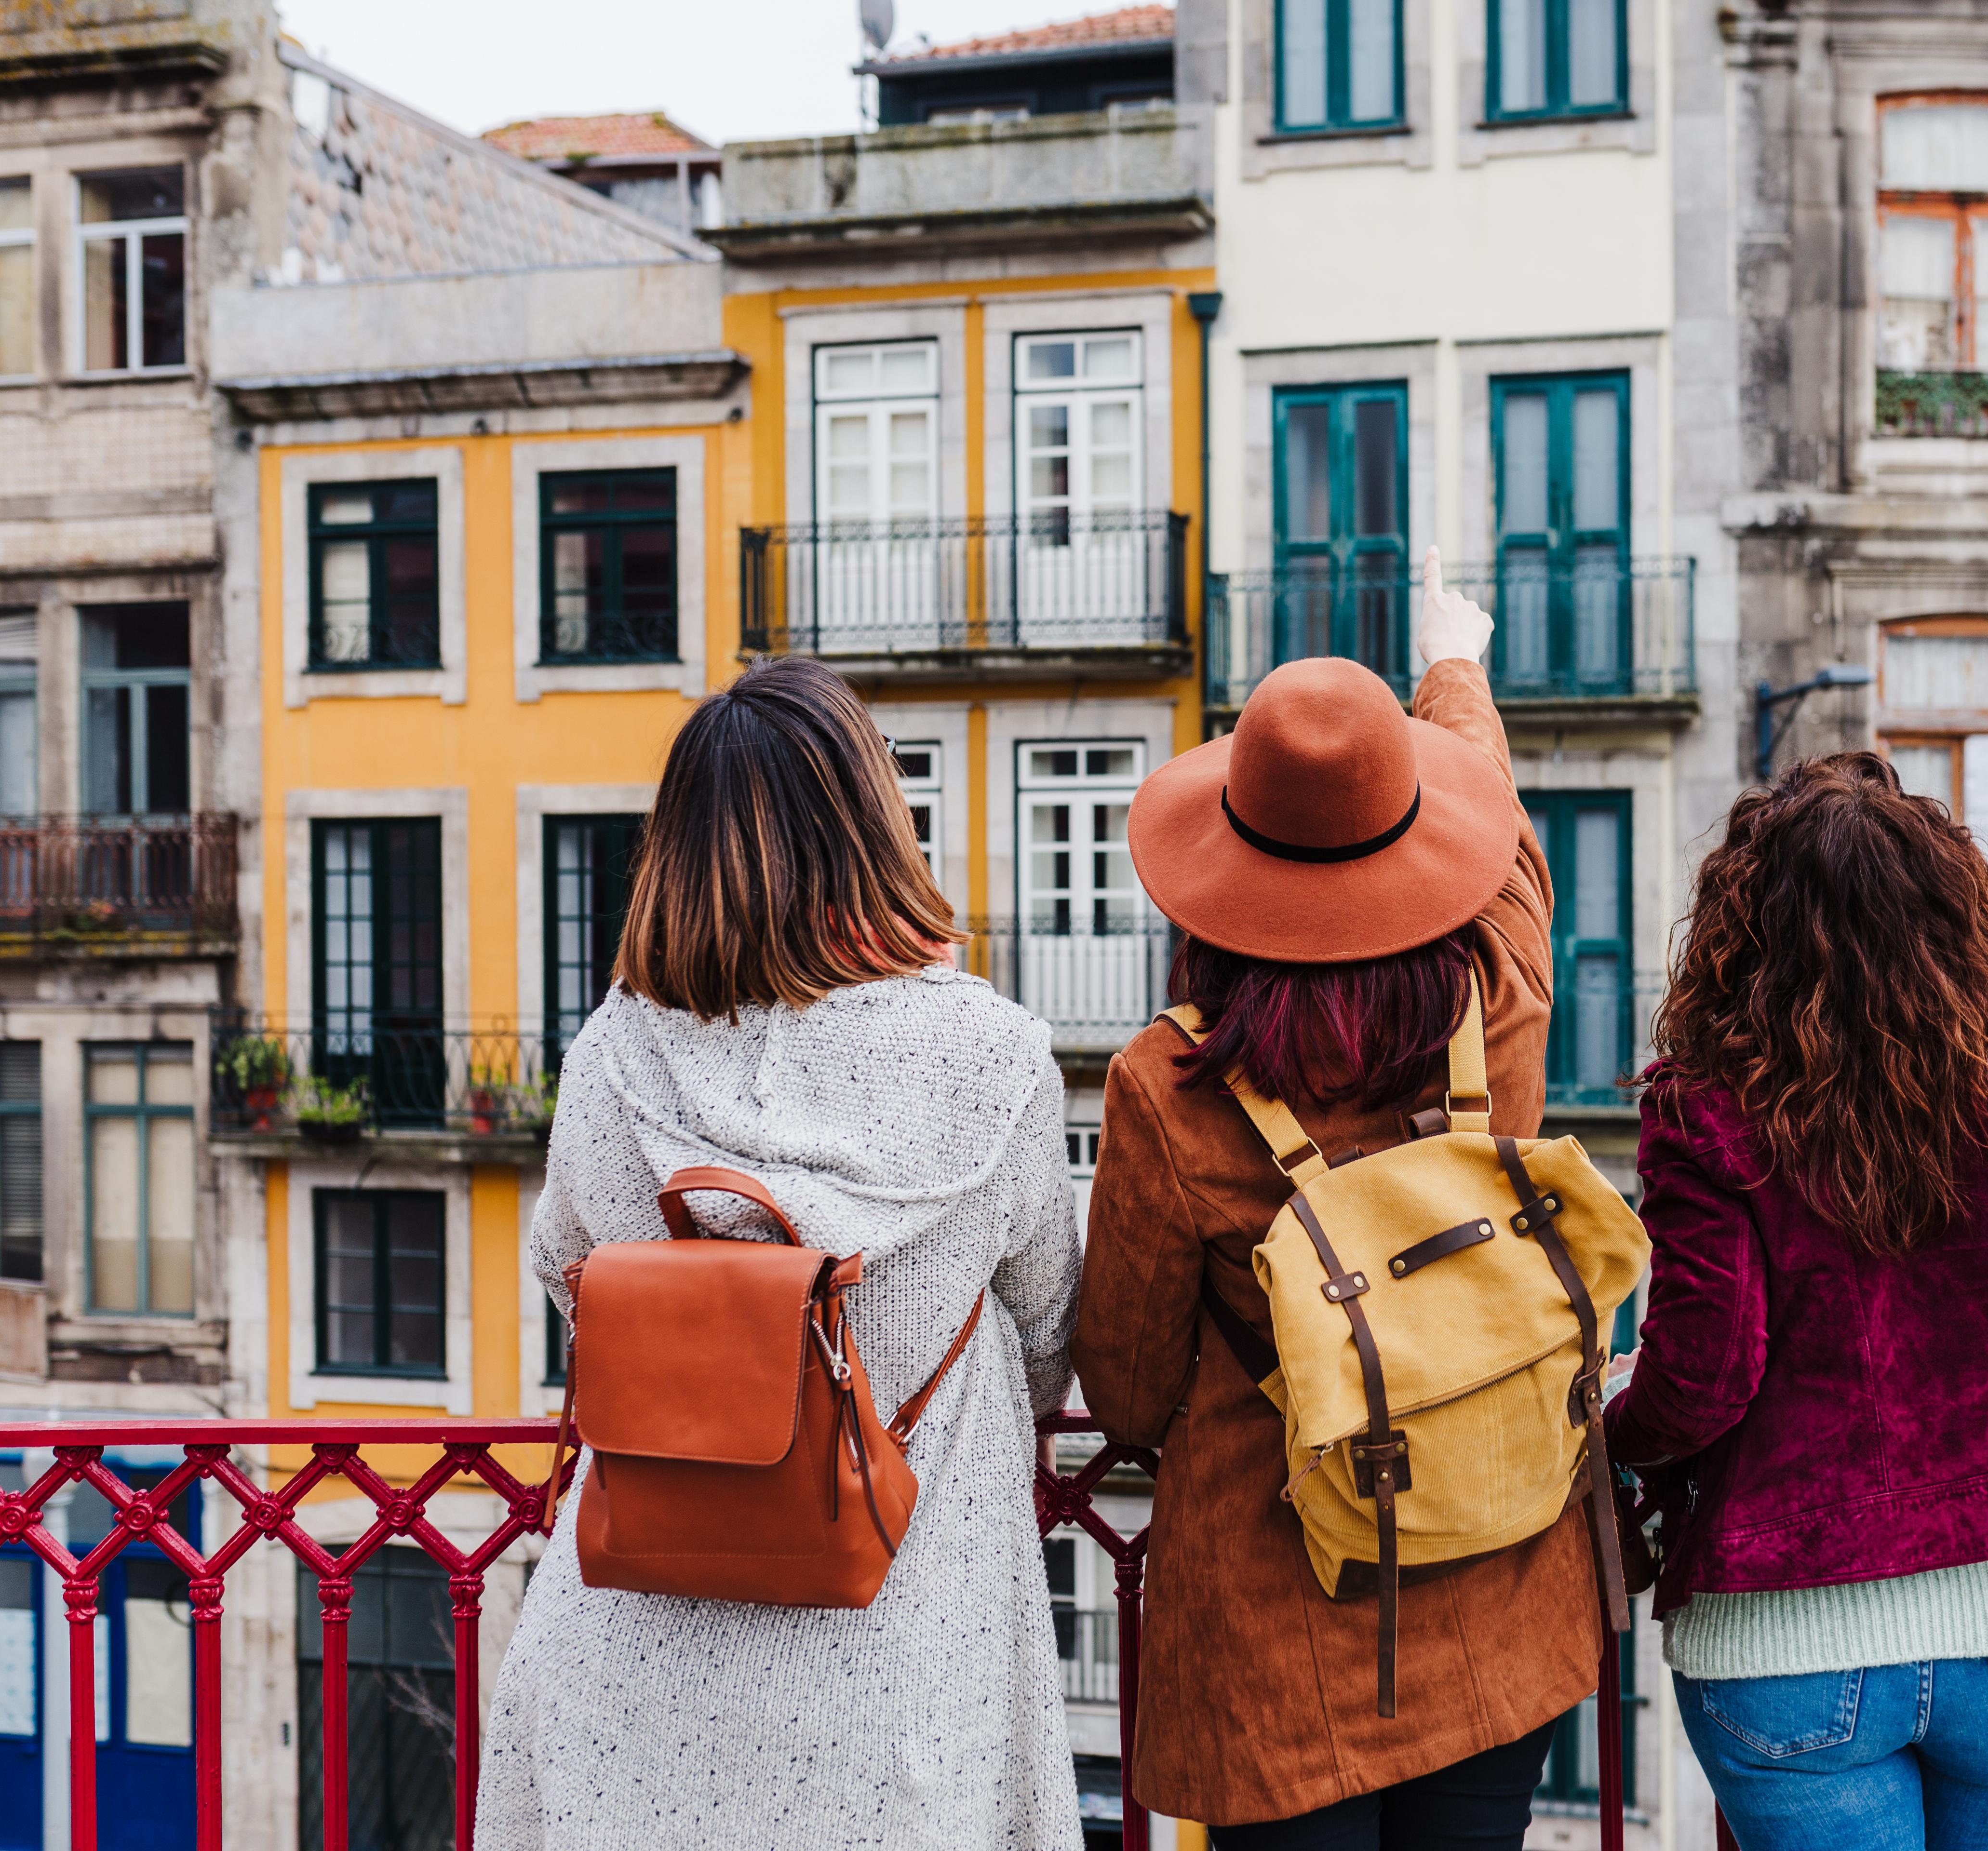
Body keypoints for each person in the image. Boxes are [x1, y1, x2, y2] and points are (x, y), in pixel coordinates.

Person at [477, 656, 1084, 1850]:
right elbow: (1053, 1324)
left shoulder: (612, 1052)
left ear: (678, 851)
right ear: (875, 826)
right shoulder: (992, 1055)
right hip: (897, 1661)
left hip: (629, 1664)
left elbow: (567, 1276)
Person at [1606, 751, 1988, 1851]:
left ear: (1741, 935)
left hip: (1786, 1649)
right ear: (1955, 918)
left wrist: (1620, 1436)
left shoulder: (1704, 1111)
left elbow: (1707, 1372)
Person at [1074, 551, 1596, 1848]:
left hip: (1278, 1635)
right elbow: (1500, 817)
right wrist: (1454, 663)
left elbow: (1130, 1393)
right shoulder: (1505, 993)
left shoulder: (1168, 1085)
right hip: (1493, 1590)